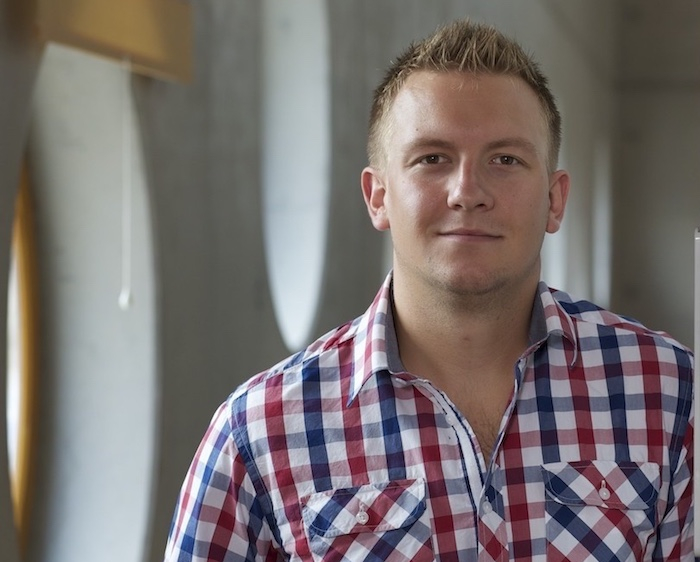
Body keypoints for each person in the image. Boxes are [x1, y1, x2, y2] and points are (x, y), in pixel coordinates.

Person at [164, 19, 694, 562]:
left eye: (505, 159)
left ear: (555, 200)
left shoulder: (672, 393)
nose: (467, 192)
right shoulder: (257, 434)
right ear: (378, 197)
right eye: (432, 159)